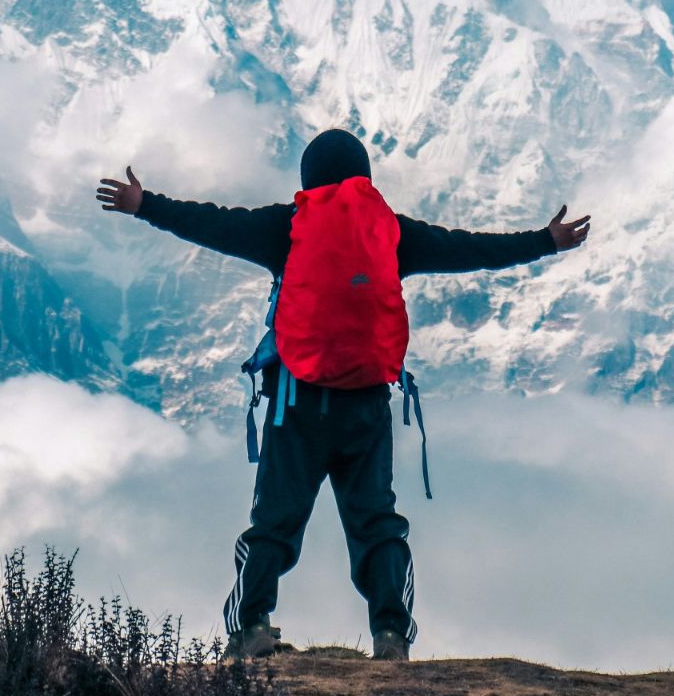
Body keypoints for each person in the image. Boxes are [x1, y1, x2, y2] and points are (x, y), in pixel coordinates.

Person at [95, 128, 590, 662]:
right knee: (377, 526)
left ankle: (250, 629)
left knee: (274, 524)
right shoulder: (392, 233)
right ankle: (391, 635)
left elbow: (214, 222)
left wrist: (145, 205)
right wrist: (543, 241)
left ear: (308, 177)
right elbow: (469, 248)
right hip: (366, 405)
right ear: (364, 178)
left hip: (295, 403)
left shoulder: (285, 227)